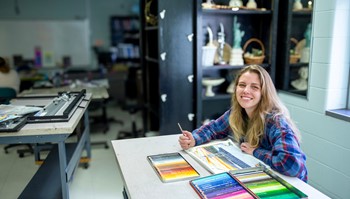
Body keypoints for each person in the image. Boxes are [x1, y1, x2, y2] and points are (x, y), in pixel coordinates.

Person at [178, 65, 308, 182]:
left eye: (254, 87)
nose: (246, 90)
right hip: (260, 176)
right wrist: (194, 139)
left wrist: (256, 151)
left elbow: (292, 165)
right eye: (242, 85)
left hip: (290, 185)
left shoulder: (276, 122)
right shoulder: (237, 112)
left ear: (264, 92)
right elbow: (214, 128)